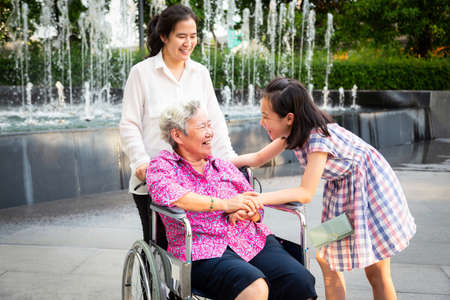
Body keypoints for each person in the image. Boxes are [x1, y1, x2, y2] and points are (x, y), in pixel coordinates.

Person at [231, 77, 416, 300]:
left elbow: (305, 193)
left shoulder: (318, 139)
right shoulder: (292, 132)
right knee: (327, 258)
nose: (262, 123)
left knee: (376, 269)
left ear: (289, 118)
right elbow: (258, 157)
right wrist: (217, 164)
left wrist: (258, 198)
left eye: (265, 117)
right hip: (346, 194)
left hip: (371, 193)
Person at [146, 100, 317, 300]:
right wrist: (225, 204)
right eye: (203, 127)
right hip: (203, 249)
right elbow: (173, 194)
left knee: (300, 281)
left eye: (210, 125)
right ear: (177, 135)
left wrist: (248, 211)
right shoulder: (162, 166)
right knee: (254, 287)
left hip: (252, 240)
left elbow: (253, 203)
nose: (210, 132)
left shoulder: (223, 167)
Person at [119, 4, 235, 245]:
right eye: (181, 36)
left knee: (200, 247)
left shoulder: (199, 73)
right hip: (156, 179)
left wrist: (229, 160)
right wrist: (140, 161)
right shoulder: (142, 73)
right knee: (159, 246)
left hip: (197, 180)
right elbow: (129, 124)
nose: (188, 43)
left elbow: (215, 123)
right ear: (164, 36)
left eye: (193, 36)